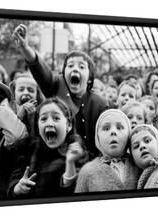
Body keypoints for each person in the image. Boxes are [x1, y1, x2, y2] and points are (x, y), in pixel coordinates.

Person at [12, 24, 108, 160]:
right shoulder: (56, 86)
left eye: (81, 66)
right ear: (63, 73)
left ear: (90, 78)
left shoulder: (100, 104)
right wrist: (25, 48)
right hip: (55, 161)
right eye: (70, 65)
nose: (75, 69)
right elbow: (41, 71)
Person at [6, 97, 85, 198]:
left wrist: (70, 163)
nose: (49, 123)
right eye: (43, 119)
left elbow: (75, 191)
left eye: (56, 118)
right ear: (38, 126)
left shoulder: (77, 150)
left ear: (68, 125)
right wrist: (17, 188)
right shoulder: (29, 149)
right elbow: (14, 180)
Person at [75, 109, 140, 193]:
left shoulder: (138, 163)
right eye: (106, 128)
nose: (113, 132)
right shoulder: (87, 171)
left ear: (129, 134)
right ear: (97, 136)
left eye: (120, 127)